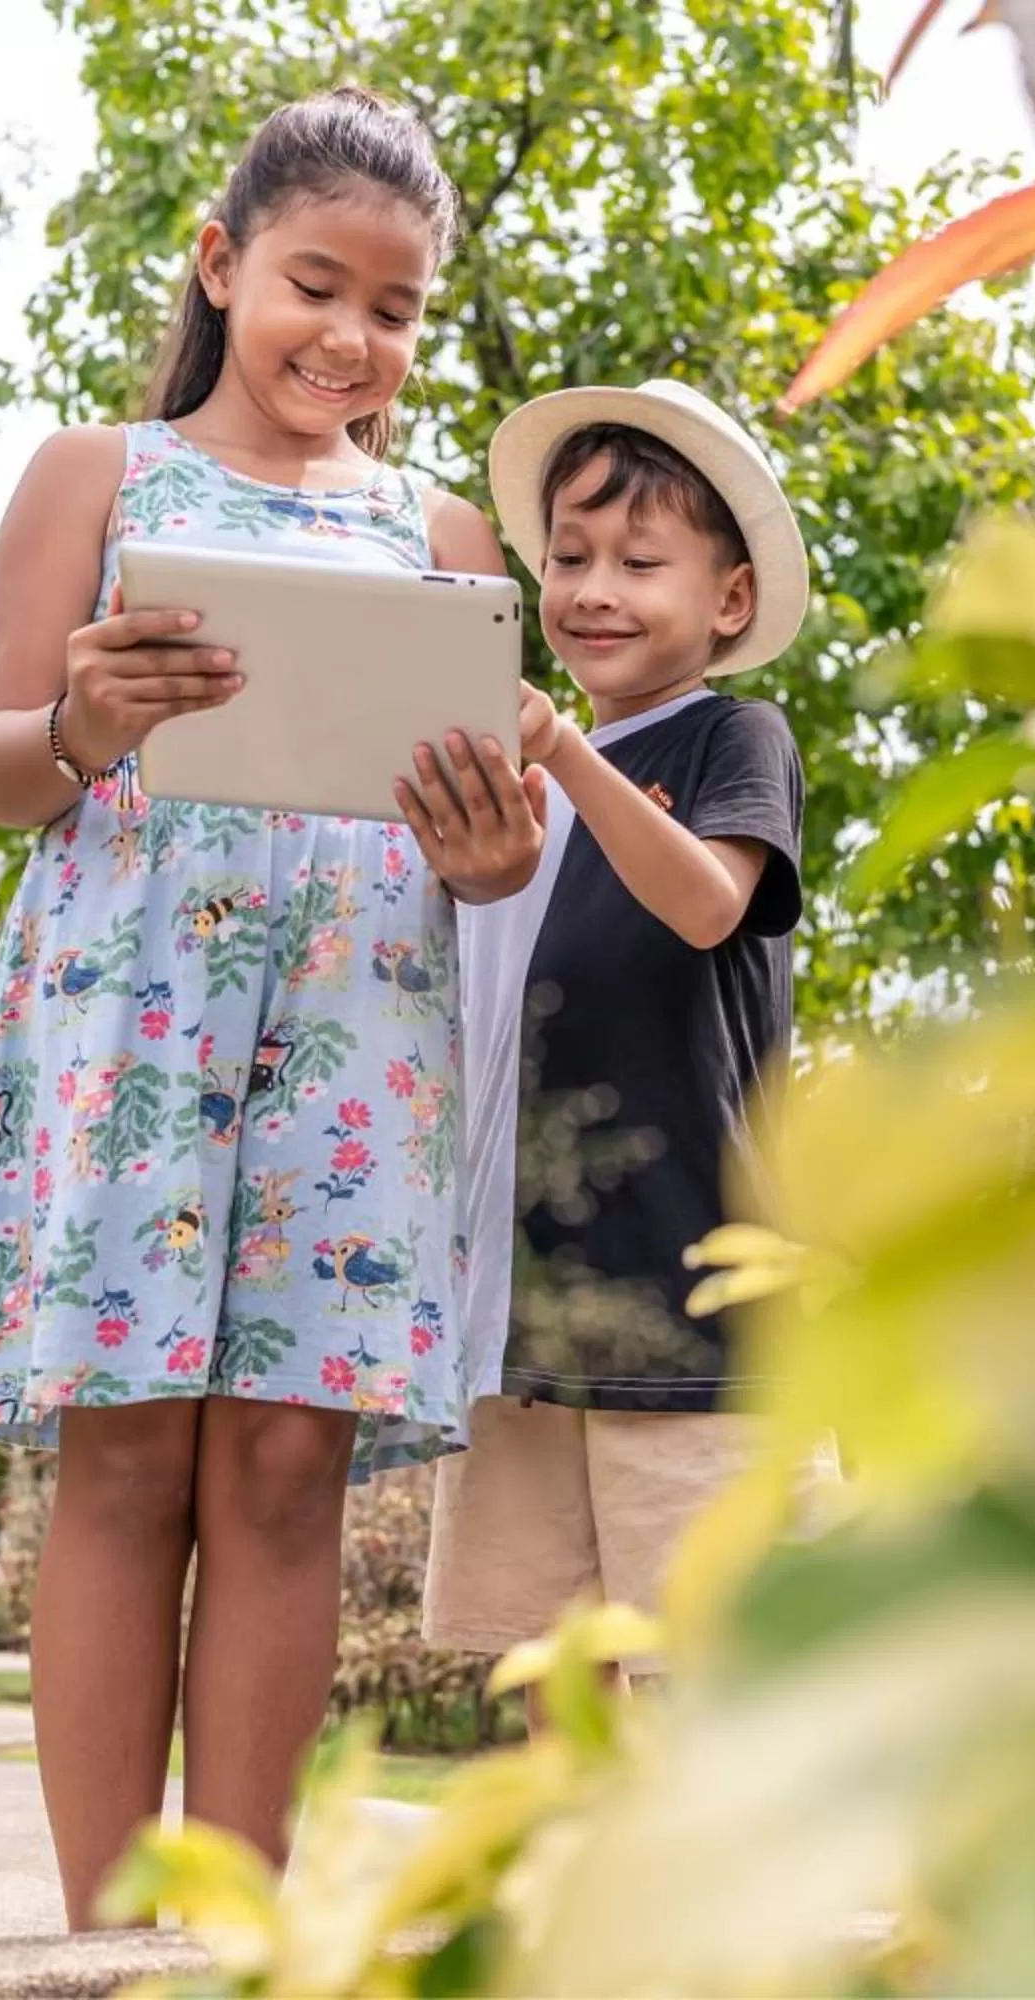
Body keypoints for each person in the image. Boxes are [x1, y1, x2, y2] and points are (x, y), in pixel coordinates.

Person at [0, 86, 541, 1926]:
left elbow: (486, 863)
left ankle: (236, 1938)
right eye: (314, 286)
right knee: (125, 1448)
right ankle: (104, 1942)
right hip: (132, 1015)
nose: (351, 339)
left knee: (281, 1465)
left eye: (395, 310)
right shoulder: (94, 475)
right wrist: (87, 724)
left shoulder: (444, 533)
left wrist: (492, 854)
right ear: (221, 262)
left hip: (360, 1025)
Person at [424, 379, 810, 1704]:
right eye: (569, 559)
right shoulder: (519, 789)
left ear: (730, 601)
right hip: (531, 1315)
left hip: (688, 1303)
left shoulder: (731, 737)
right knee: (557, 1668)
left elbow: (711, 900)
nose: (593, 589)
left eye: (640, 562)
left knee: (707, 1668)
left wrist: (573, 760)